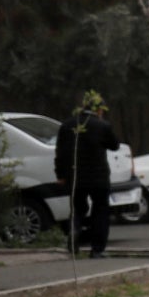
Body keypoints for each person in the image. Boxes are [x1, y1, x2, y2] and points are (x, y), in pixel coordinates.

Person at [53, 92, 120, 258]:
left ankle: (74, 232)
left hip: (75, 176)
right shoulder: (102, 126)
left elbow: (60, 153)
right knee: (100, 211)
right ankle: (97, 249)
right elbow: (115, 145)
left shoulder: (67, 126)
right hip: (99, 177)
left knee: (77, 208)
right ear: (99, 110)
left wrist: (60, 174)